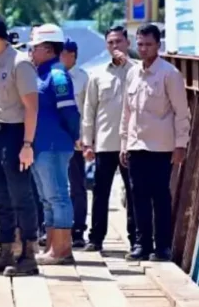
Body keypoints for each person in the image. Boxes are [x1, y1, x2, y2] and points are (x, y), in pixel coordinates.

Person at [0, 16, 40, 277]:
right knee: (0, 196)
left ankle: (28, 255)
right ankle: (4, 251)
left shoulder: (19, 63)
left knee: (21, 196)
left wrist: (27, 144)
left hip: (16, 134)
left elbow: (32, 107)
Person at [120, 24, 190, 261]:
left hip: (162, 148)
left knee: (160, 197)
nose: (144, 49)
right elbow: (126, 112)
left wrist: (181, 144)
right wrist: (124, 143)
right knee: (137, 197)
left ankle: (162, 247)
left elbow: (182, 112)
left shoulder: (170, 74)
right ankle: (142, 245)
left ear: (158, 46)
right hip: (136, 146)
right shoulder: (132, 74)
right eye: (140, 44)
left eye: (149, 44)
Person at [81, 26, 137, 252]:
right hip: (104, 142)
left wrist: (129, 62)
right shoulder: (97, 74)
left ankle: (136, 239)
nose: (115, 46)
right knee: (100, 191)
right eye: (111, 42)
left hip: (132, 143)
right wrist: (88, 141)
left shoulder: (138, 71)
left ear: (127, 43)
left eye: (119, 42)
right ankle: (96, 238)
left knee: (134, 192)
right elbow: (89, 110)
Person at [28, 24, 80, 265]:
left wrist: (73, 135)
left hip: (53, 145)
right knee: (47, 198)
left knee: (58, 196)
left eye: (34, 47)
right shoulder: (41, 74)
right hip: (40, 145)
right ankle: (51, 247)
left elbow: (69, 112)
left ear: (47, 49)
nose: (30, 51)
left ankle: (62, 249)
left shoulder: (57, 76)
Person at [61, 39, 89, 249]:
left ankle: (78, 229)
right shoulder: (51, 76)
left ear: (73, 55)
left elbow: (87, 110)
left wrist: (85, 138)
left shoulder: (83, 78)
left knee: (77, 186)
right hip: (53, 139)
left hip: (76, 139)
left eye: (64, 53)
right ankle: (51, 228)